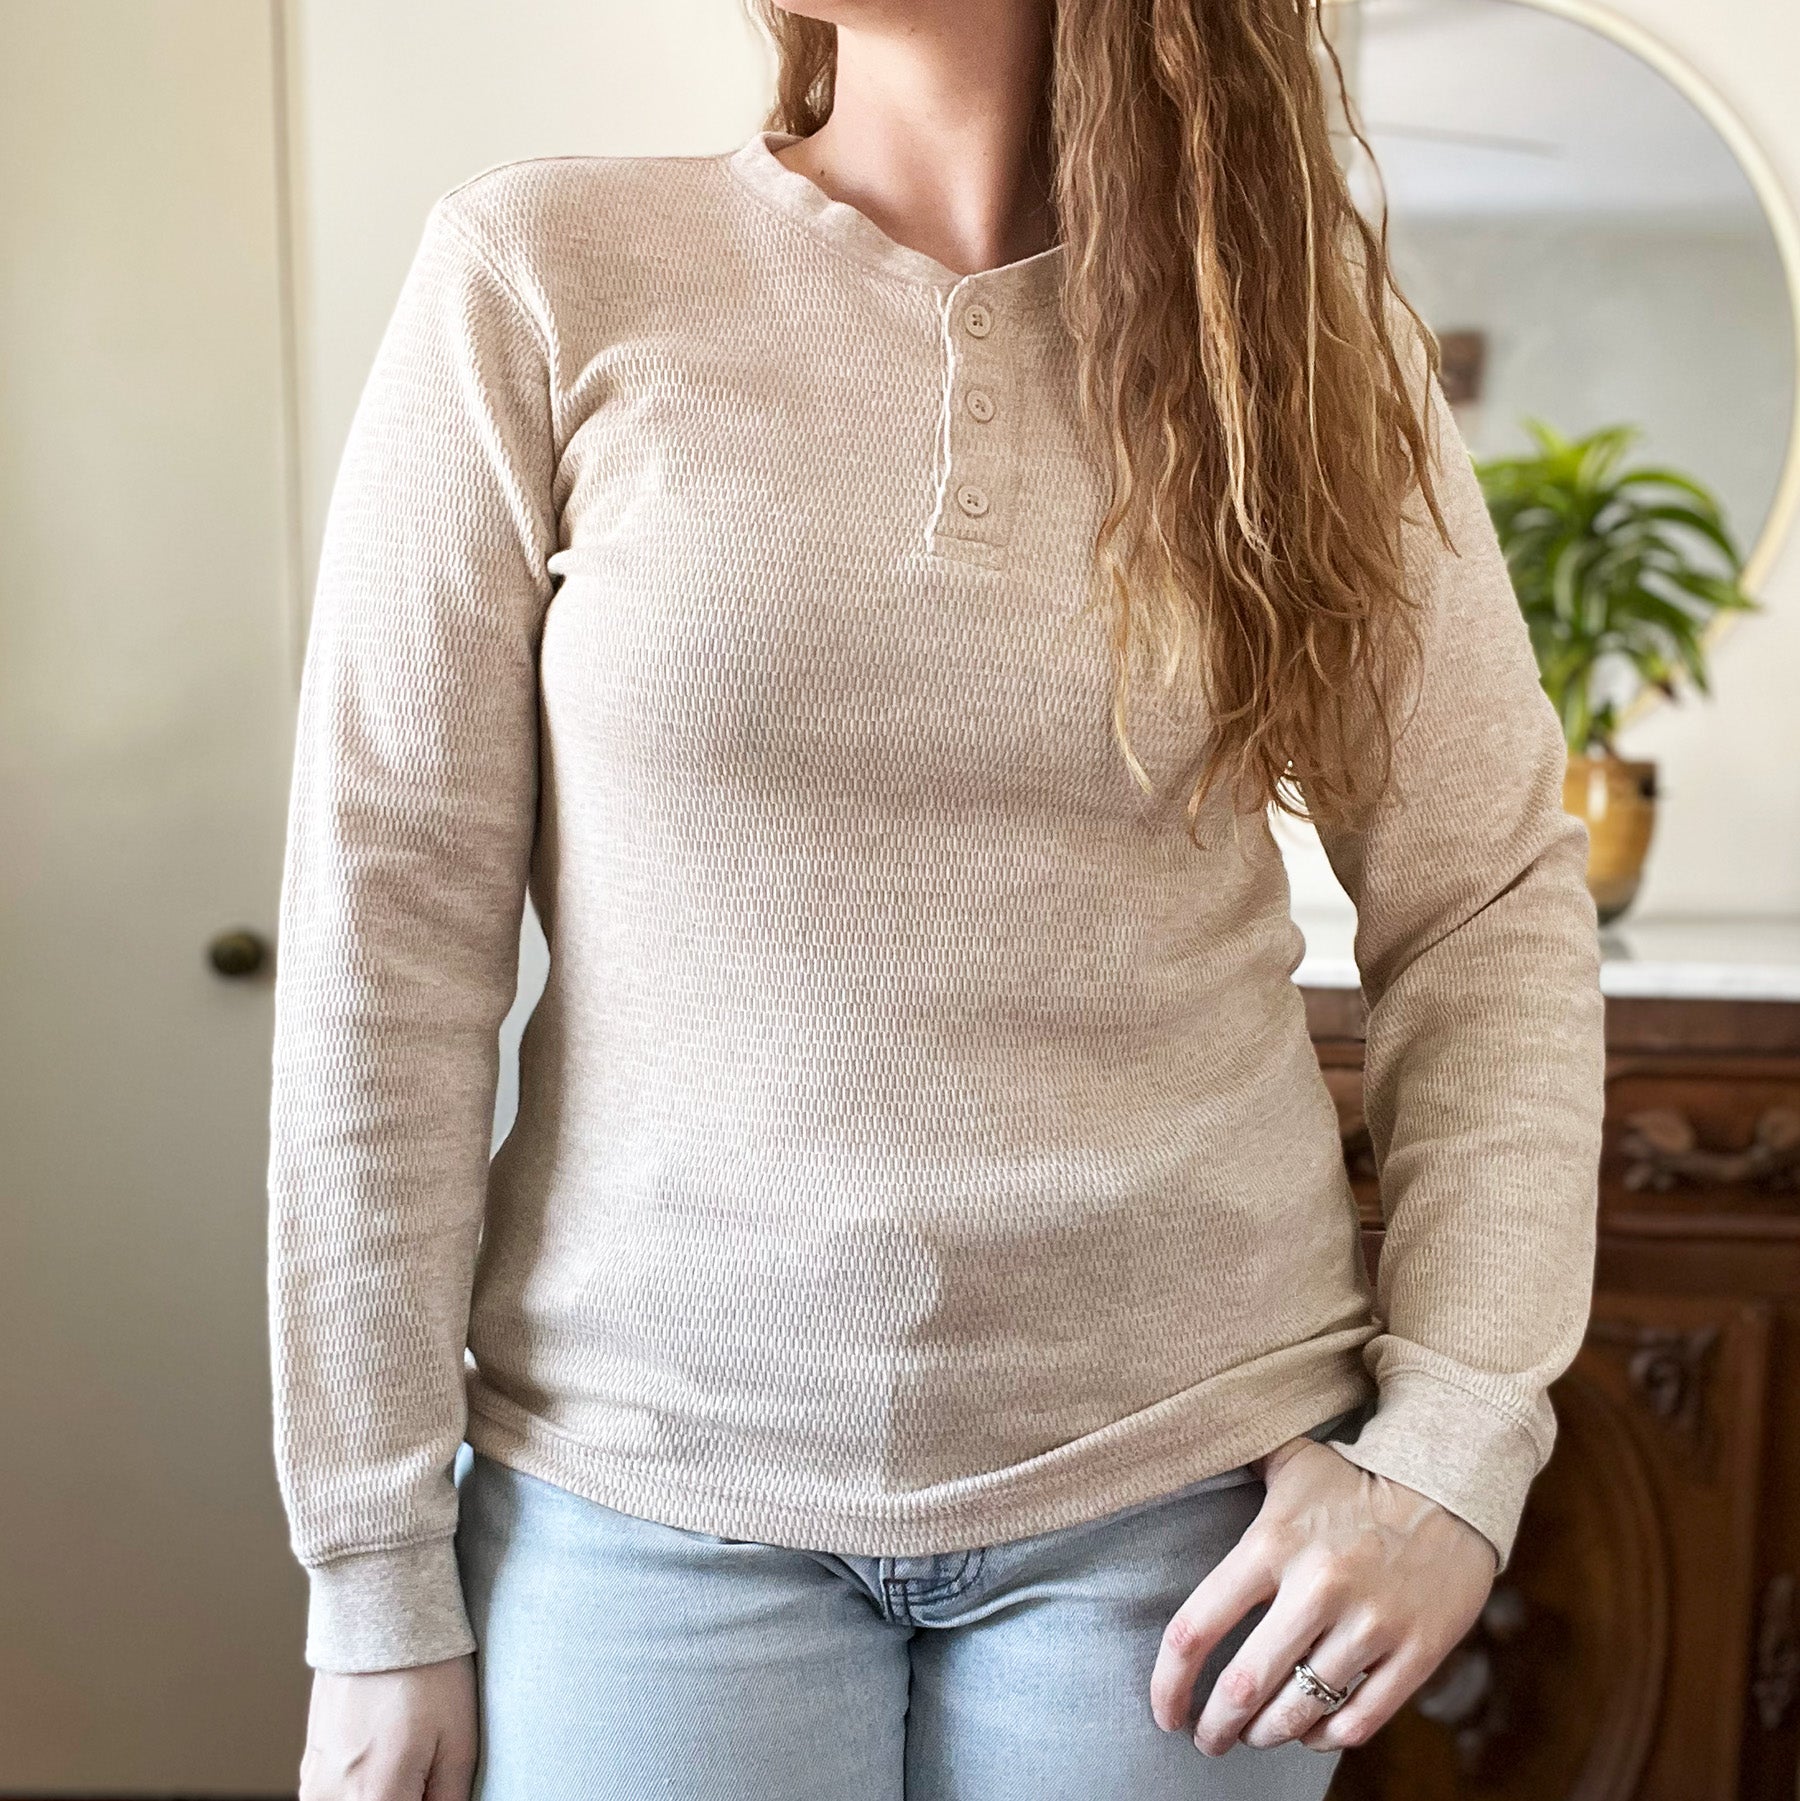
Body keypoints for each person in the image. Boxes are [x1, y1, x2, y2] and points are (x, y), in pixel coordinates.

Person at [266, 2, 1606, 1797]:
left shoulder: (1295, 344)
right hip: (636, 1494)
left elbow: (1487, 904)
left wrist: (1452, 1451)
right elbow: (386, 945)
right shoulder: (539, 270)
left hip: (1189, 1516)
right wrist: (371, 1576)